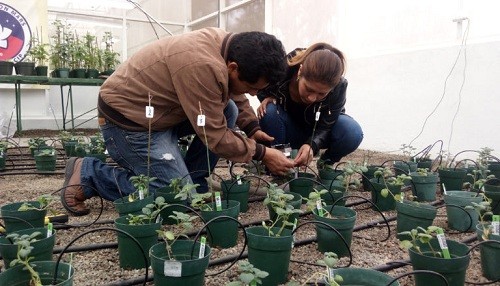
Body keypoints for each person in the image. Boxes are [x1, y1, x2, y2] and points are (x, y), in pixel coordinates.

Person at [61, 27, 296, 216]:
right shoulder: (202, 65)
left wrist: (252, 128)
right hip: (130, 122)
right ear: (233, 67)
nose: (254, 94)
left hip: (162, 112)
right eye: (253, 88)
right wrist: (262, 153)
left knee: (229, 110)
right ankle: (89, 173)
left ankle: (195, 183)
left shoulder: (229, 48)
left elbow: (233, 91)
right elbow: (214, 136)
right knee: (174, 196)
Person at [256, 42, 363, 169]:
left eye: (321, 93)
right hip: (286, 128)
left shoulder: (339, 86)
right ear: (300, 71)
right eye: (309, 89)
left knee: (351, 131)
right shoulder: (285, 68)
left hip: (318, 132)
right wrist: (270, 96)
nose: (312, 98)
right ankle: (280, 162)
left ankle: (325, 165)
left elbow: (326, 126)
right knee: (269, 111)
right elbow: (259, 87)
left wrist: (312, 144)